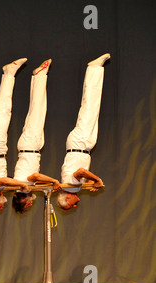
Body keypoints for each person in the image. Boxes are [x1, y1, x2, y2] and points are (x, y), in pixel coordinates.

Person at [0, 58, 61, 213]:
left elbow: (14, 178)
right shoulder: (1, 188)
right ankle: (37, 76)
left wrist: (51, 181)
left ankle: (9, 74)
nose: (1, 206)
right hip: (2, 149)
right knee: (27, 111)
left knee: (5, 110)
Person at [56, 54, 109, 210]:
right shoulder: (73, 187)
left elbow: (80, 171)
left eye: (70, 205)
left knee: (90, 106)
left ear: (67, 198)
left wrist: (97, 179)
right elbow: (81, 174)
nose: (74, 206)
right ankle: (96, 69)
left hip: (80, 143)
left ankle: (94, 68)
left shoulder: (71, 187)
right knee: (92, 107)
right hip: (82, 145)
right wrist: (91, 182)